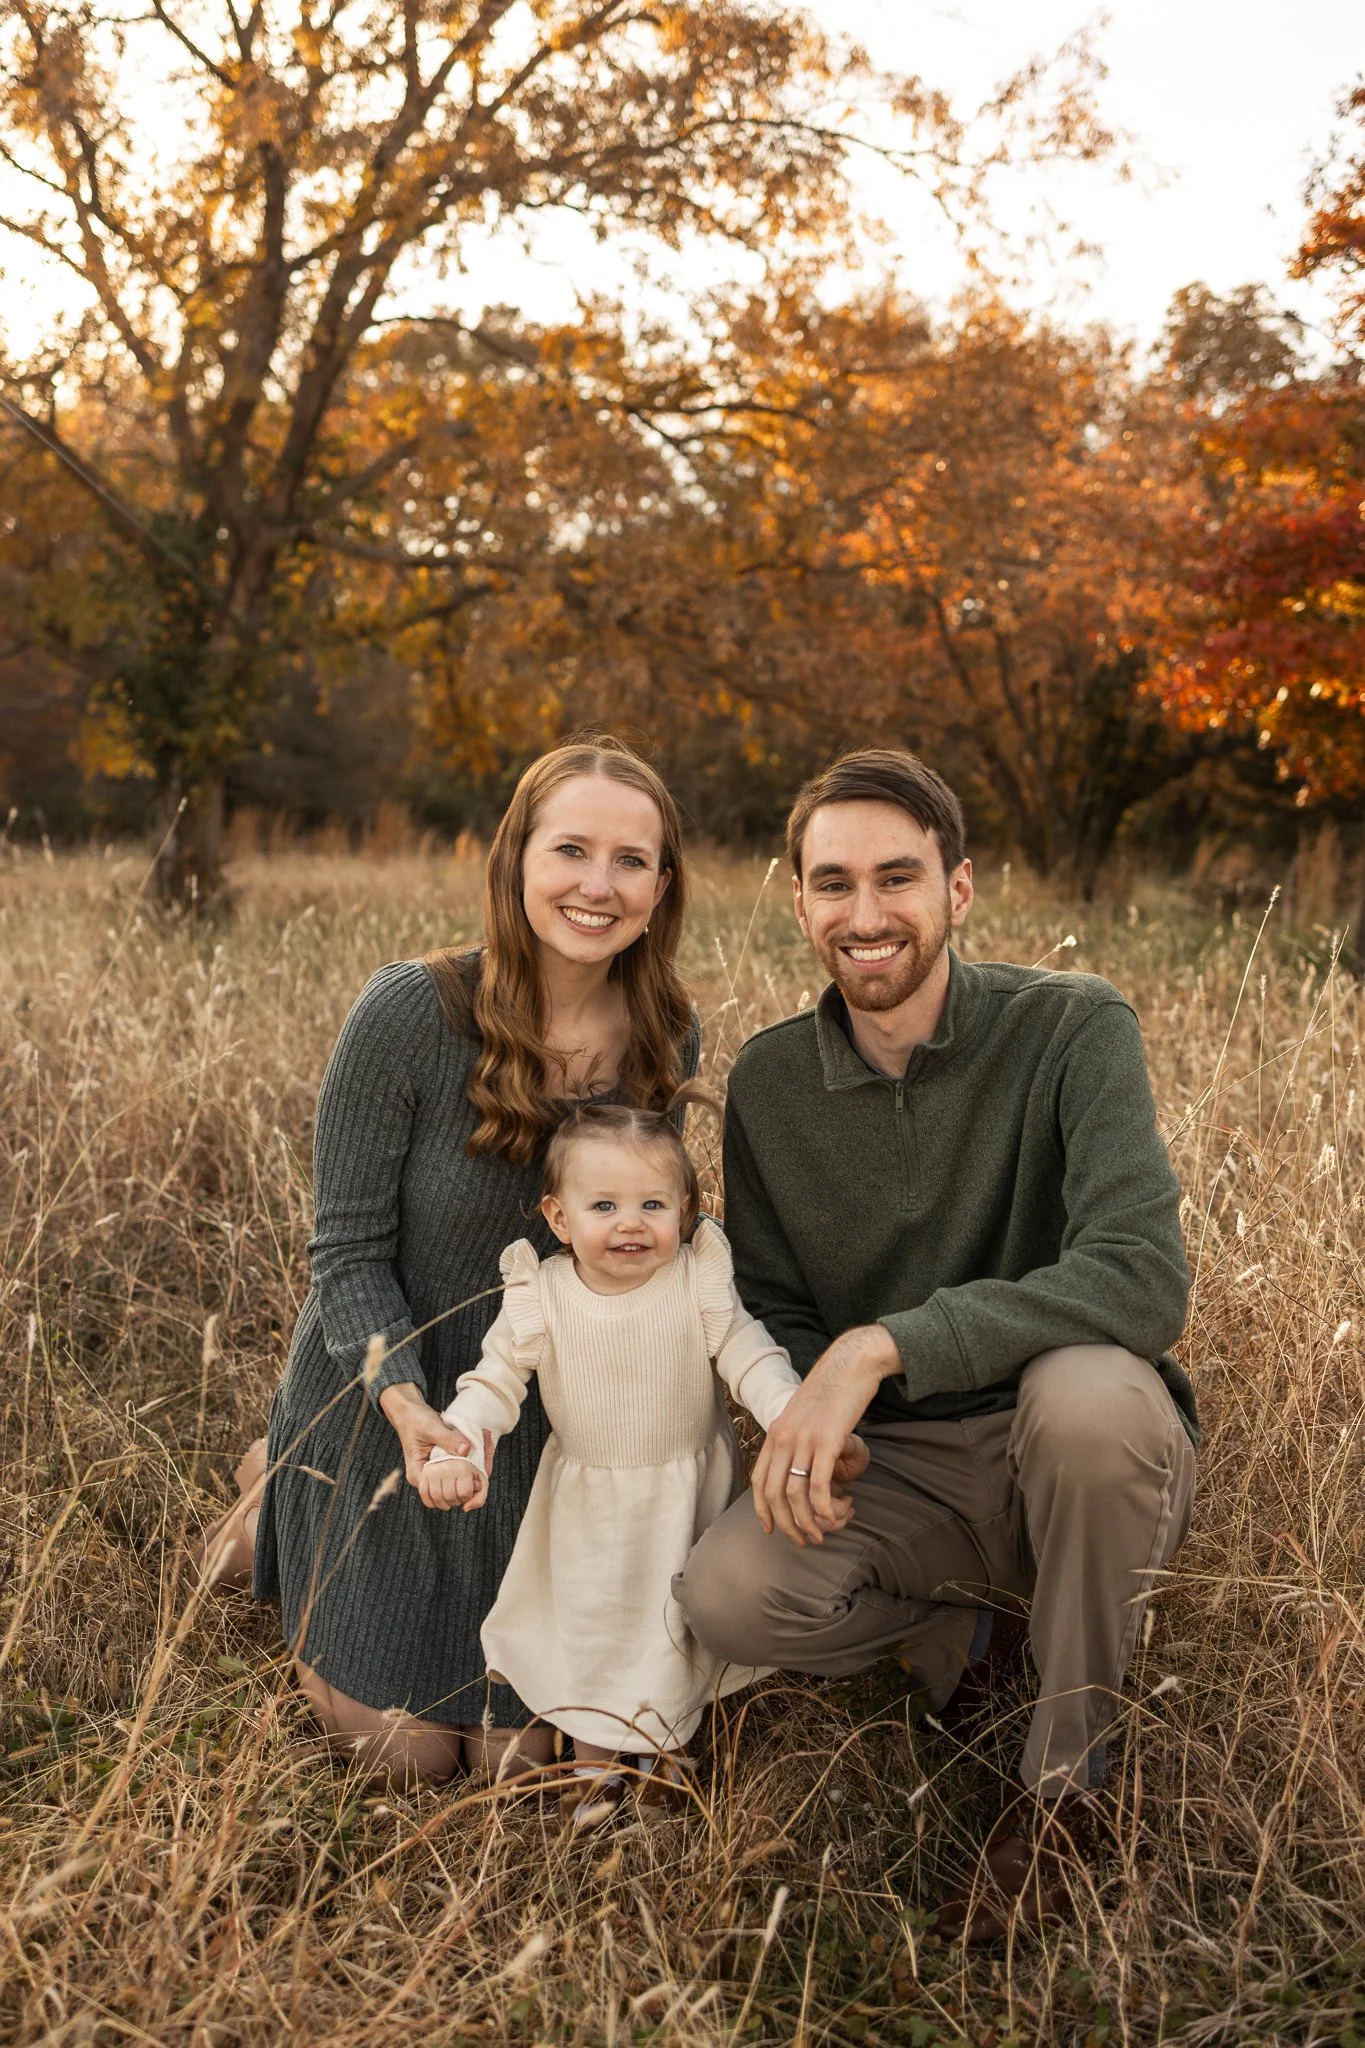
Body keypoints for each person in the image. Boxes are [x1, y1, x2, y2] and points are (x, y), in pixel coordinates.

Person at [676, 748, 1198, 1943]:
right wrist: (813, 1408)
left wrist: (882, 1345)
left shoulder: (1072, 1026)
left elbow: (1141, 1274)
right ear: (798, 899)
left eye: (897, 877)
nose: (866, 915)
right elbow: (774, 1301)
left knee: (1088, 1397)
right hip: (905, 1468)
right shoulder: (770, 1084)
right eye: (834, 883)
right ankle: (971, 1637)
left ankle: (1066, 1788)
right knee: (728, 1594)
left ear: (958, 887)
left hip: (1068, 1443)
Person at [196, 737, 701, 1784]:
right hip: (390, 1386)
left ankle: (275, 1482)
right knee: (407, 1755)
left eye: (630, 861)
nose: (597, 886)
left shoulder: (666, 1035)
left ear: (661, 888)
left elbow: (629, 1246)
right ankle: (279, 1491)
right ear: (517, 858)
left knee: (516, 1762)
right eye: (571, 850)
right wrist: (402, 1402)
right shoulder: (409, 1013)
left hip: (532, 1409)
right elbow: (346, 1254)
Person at [421, 1096, 808, 1824]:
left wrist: (791, 1415)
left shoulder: (695, 1279)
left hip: (685, 1496)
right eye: (603, 1205)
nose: (630, 1223)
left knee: (673, 1629)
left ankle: (666, 1764)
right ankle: (594, 1767)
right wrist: (460, 1445)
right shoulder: (542, 1295)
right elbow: (492, 1383)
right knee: (593, 1630)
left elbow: (749, 1354)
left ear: (684, 1211)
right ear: (559, 1218)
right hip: (587, 1507)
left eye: (652, 1204)